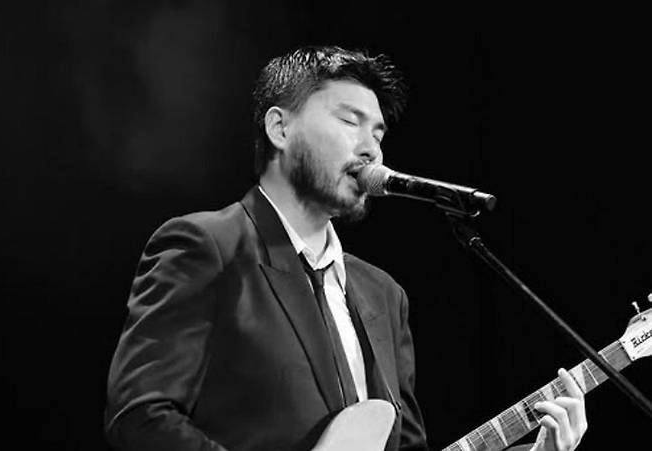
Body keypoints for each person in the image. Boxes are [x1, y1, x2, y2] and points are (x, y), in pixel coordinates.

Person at [104, 45, 588, 451]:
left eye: (378, 133)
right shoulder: (207, 246)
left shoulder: (384, 295)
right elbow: (141, 417)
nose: (371, 148)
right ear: (280, 128)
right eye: (349, 121)